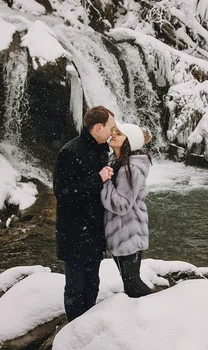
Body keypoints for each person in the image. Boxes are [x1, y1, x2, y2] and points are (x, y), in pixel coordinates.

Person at [53, 105, 116, 321]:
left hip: (94, 232)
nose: (112, 133)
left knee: (93, 283)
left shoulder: (102, 150)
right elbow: (63, 193)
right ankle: (73, 331)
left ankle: (87, 326)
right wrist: (98, 178)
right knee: (75, 286)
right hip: (74, 233)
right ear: (98, 127)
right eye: (111, 128)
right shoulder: (70, 152)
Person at [101, 122, 153, 298]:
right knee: (128, 281)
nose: (113, 135)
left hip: (130, 232)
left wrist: (104, 181)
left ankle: (157, 306)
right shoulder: (115, 162)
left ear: (128, 142)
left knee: (132, 283)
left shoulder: (130, 169)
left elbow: (122, 205)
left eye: (119, 134)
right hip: (120, 233)